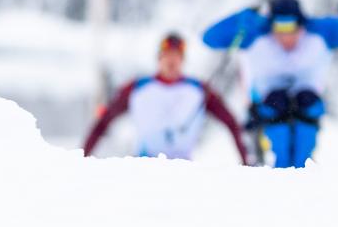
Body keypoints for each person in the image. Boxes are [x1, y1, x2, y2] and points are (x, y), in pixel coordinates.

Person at [201, 0, 338, 168]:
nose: (285, 36)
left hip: (305, 107)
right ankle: (276, 167)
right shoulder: (255, 33)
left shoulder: (321, 32)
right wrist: (242, 17)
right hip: (268, 109)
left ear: (301, 24)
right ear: (271, 25)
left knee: (307, 100)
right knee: (277, 101)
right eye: (279, 28)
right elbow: (210, 38)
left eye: (290, 27)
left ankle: (302, 166)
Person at [82, 33, 249, 164]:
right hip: (143, 165)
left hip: (183, 169)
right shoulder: (137, 88)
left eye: (176, 55)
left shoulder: (199, 90)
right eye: (167, 54)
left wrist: (246, 162)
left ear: (183, 60)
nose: (171, 60)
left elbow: (231, 123)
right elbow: (103, 122)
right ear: (159, 58)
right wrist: (83, 155)